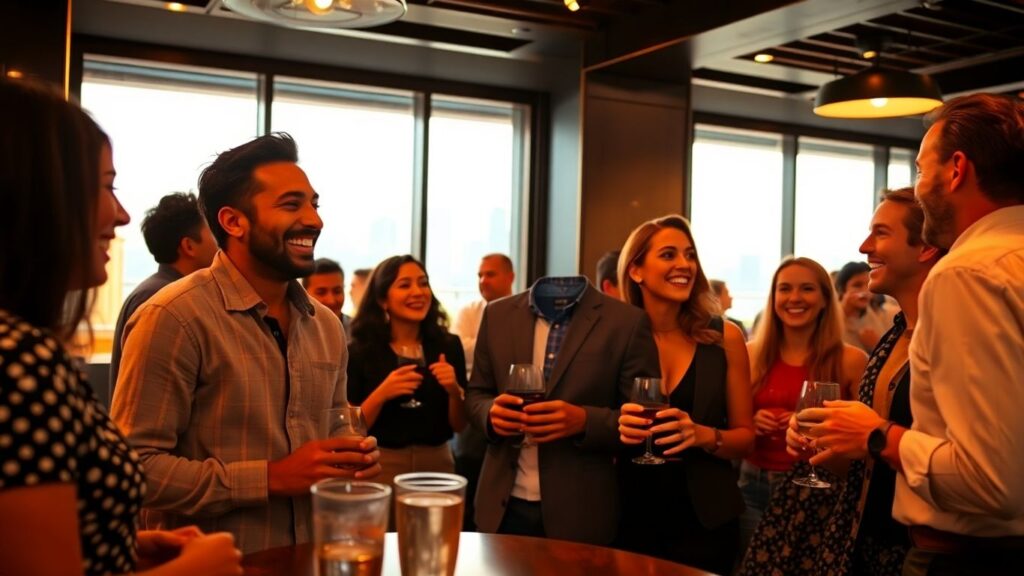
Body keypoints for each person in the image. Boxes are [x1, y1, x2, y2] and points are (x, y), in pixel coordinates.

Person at [0, 79, 242, 576]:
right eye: (106, 186)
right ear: (37, 196)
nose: (121, 214)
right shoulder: (22, 362)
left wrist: (113, 546)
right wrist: (194, 570)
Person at [111, 133, 381, 554]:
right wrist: (270, 477)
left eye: (314, 204)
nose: (314, 220)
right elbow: (133, 469)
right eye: (291, 205)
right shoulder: (174, 317)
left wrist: (349, 455)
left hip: (312, 557)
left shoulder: (326, 325)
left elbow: (329, 430)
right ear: (233, 222)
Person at [800, 94, 1024, 575]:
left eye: (922, 170)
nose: (920, 187)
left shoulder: (968, 273)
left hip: (967, 557)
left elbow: (990, 480)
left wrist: (877, 436)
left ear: (956, 170)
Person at [741, 188, 940, 575]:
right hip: (838, 517)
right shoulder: (894, 338)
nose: (864, 247)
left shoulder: (909, 342)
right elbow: (863, 460)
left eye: (880, 233)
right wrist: (825, 439)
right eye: (784, 288)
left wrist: (870, 435)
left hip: (913, 539)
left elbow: (975, 466)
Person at [465, 273, 659, 545]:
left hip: (581, 510)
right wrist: (490, 413)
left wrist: (585, 421)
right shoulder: (497, 314)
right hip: (500, 505)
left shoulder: (626, 321)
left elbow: (642, 419)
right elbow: (476, 394)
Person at [614, 214, 755, 574]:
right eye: (668, 255)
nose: (684, 264)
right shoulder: (612, 338)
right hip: (627, 514)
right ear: (636, 271)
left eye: (689, 255)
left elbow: (745, 438)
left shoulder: (725, 338)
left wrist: (703, 435)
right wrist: (617, 426)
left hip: (705, 520)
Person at [736, 257, 867, 549]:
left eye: (807, 289)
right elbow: (728, 420)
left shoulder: (852, 360)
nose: (794, 298)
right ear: (773, 298)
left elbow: (866, 437)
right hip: (753, 484)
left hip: (822, 486)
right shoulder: (748, 354)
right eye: (785, 289)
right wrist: (750, 421)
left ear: (825, 299)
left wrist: (818, 429)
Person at [346, 254, 467, 489]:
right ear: (382, 299)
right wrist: (382, 393)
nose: (418, 292)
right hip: (381, 463)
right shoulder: (360, 350)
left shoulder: (448, 345)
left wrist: (454, 391)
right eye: (404, 285)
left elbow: (460, 425)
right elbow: (353, 429)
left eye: (423, 283)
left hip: (437, 463)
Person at [109, 192, 218, 395]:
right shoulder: (159, 299)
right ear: (188, 246)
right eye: (213, 233)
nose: (220, 242)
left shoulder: (159, 290)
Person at [449, 253, 515, 530]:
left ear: (510, 277)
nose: (483, 280)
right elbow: (459, 347)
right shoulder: (469, 311)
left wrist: (478, 344)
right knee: (467, 466)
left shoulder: (521, 312)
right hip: (473, 402)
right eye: (479, 275)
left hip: (511, 406)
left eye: (490, 274)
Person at [836, 261, 889, 353]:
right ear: (842, 290)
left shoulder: (873, 314)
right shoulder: (832, 320)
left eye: (869, 285)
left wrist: (876, 345)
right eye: (857, 285)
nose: (865, 291)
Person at [302, 257, 353, 339]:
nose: (331, 301)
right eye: (321, 292)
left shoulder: (360, 333)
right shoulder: (296, 332)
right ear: (304, 293)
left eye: (337, 291)